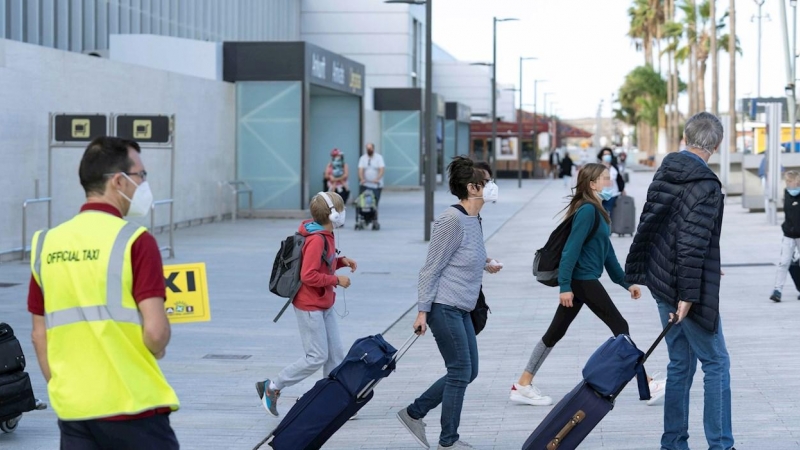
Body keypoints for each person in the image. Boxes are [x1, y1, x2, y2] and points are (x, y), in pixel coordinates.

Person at [27, 136, 180, 449]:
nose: (144, 184)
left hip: (75, 411)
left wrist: (62, 387)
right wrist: (159, 343)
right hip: (133, 405)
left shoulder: (46, 243)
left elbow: (38, 335)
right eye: (141, 176)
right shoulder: (135, 240)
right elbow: (154, 331)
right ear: (119, 182)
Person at [509, 163, 663, 407]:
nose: (609, 181)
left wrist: (626, 283)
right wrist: (564, 286)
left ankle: (523, 383)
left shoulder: (598, 210)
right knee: (620, 325)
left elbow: (608, 253)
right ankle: (647, 382)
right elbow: (570, 250)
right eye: (604, 177)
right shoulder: (587, 211)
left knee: (555, 331)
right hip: (582, 280)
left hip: (584, 280)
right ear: (592, 184)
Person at [625, 112, 734, 450]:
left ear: (686, 138)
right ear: (715, 145)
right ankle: (721, 444)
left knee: (680, 362)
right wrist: (687, 295)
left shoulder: (666, 170)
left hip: (662, 281)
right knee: (716, 362)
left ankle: (673, 443)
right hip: (687, 289)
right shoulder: (705, 184)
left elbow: (652, 223)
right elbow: (689, 241)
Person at [396, 157, 502, 450]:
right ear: (472, 187)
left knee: (470, 371)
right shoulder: (451, 220)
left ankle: (414, 412)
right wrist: (422, 312)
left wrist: (486, 262)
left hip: (463, 307)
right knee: (459, 371)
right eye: (487, 182)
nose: (492, 187)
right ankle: (448, 440)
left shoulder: (474, 218)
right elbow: (431, 268)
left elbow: (466, 253)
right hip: (444, 307)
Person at [256, 191, 358, 417]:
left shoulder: (323, 233)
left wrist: (340, 262)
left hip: (323, 302)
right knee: (317, 356)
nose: (343, 213)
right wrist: (335, 280)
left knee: (335, 355)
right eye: (341, 209)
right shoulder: (316, 239)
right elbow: (308, 275)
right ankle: (272, 387)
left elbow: (323, 262)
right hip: (310, 305)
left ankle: (332, 402)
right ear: (333, 216)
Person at [770, 170, 800, 302]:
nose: (787, 184)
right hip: (789, 234)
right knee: (784, 262)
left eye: (789, 181)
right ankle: (777, 290)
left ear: (797, 181)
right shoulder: (787, 193)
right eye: (786, 181)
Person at [358, 142, 386, 225]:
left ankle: (374, 219)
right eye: (367, 148)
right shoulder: (363, 158)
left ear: (373, 148)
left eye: (370, 148)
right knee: (363, 202)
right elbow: (360, 170)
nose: (369, 150)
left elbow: (381, 169)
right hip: (365, 184)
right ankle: (364, 218)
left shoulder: (379, 158)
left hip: (376, 185)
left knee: (374, 203)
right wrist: (362, 179)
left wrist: (377, 179)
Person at [597, 147, 626, 217]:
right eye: (605, 154)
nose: (607, 156)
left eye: (609, 154)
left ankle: (608, 227)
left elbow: (619, 179)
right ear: (601, 156)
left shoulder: (614, 167)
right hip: (599, 195)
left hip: (612, 194)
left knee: (609, 214)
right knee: (600, 214)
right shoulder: (597, 167)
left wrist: (622, 189)